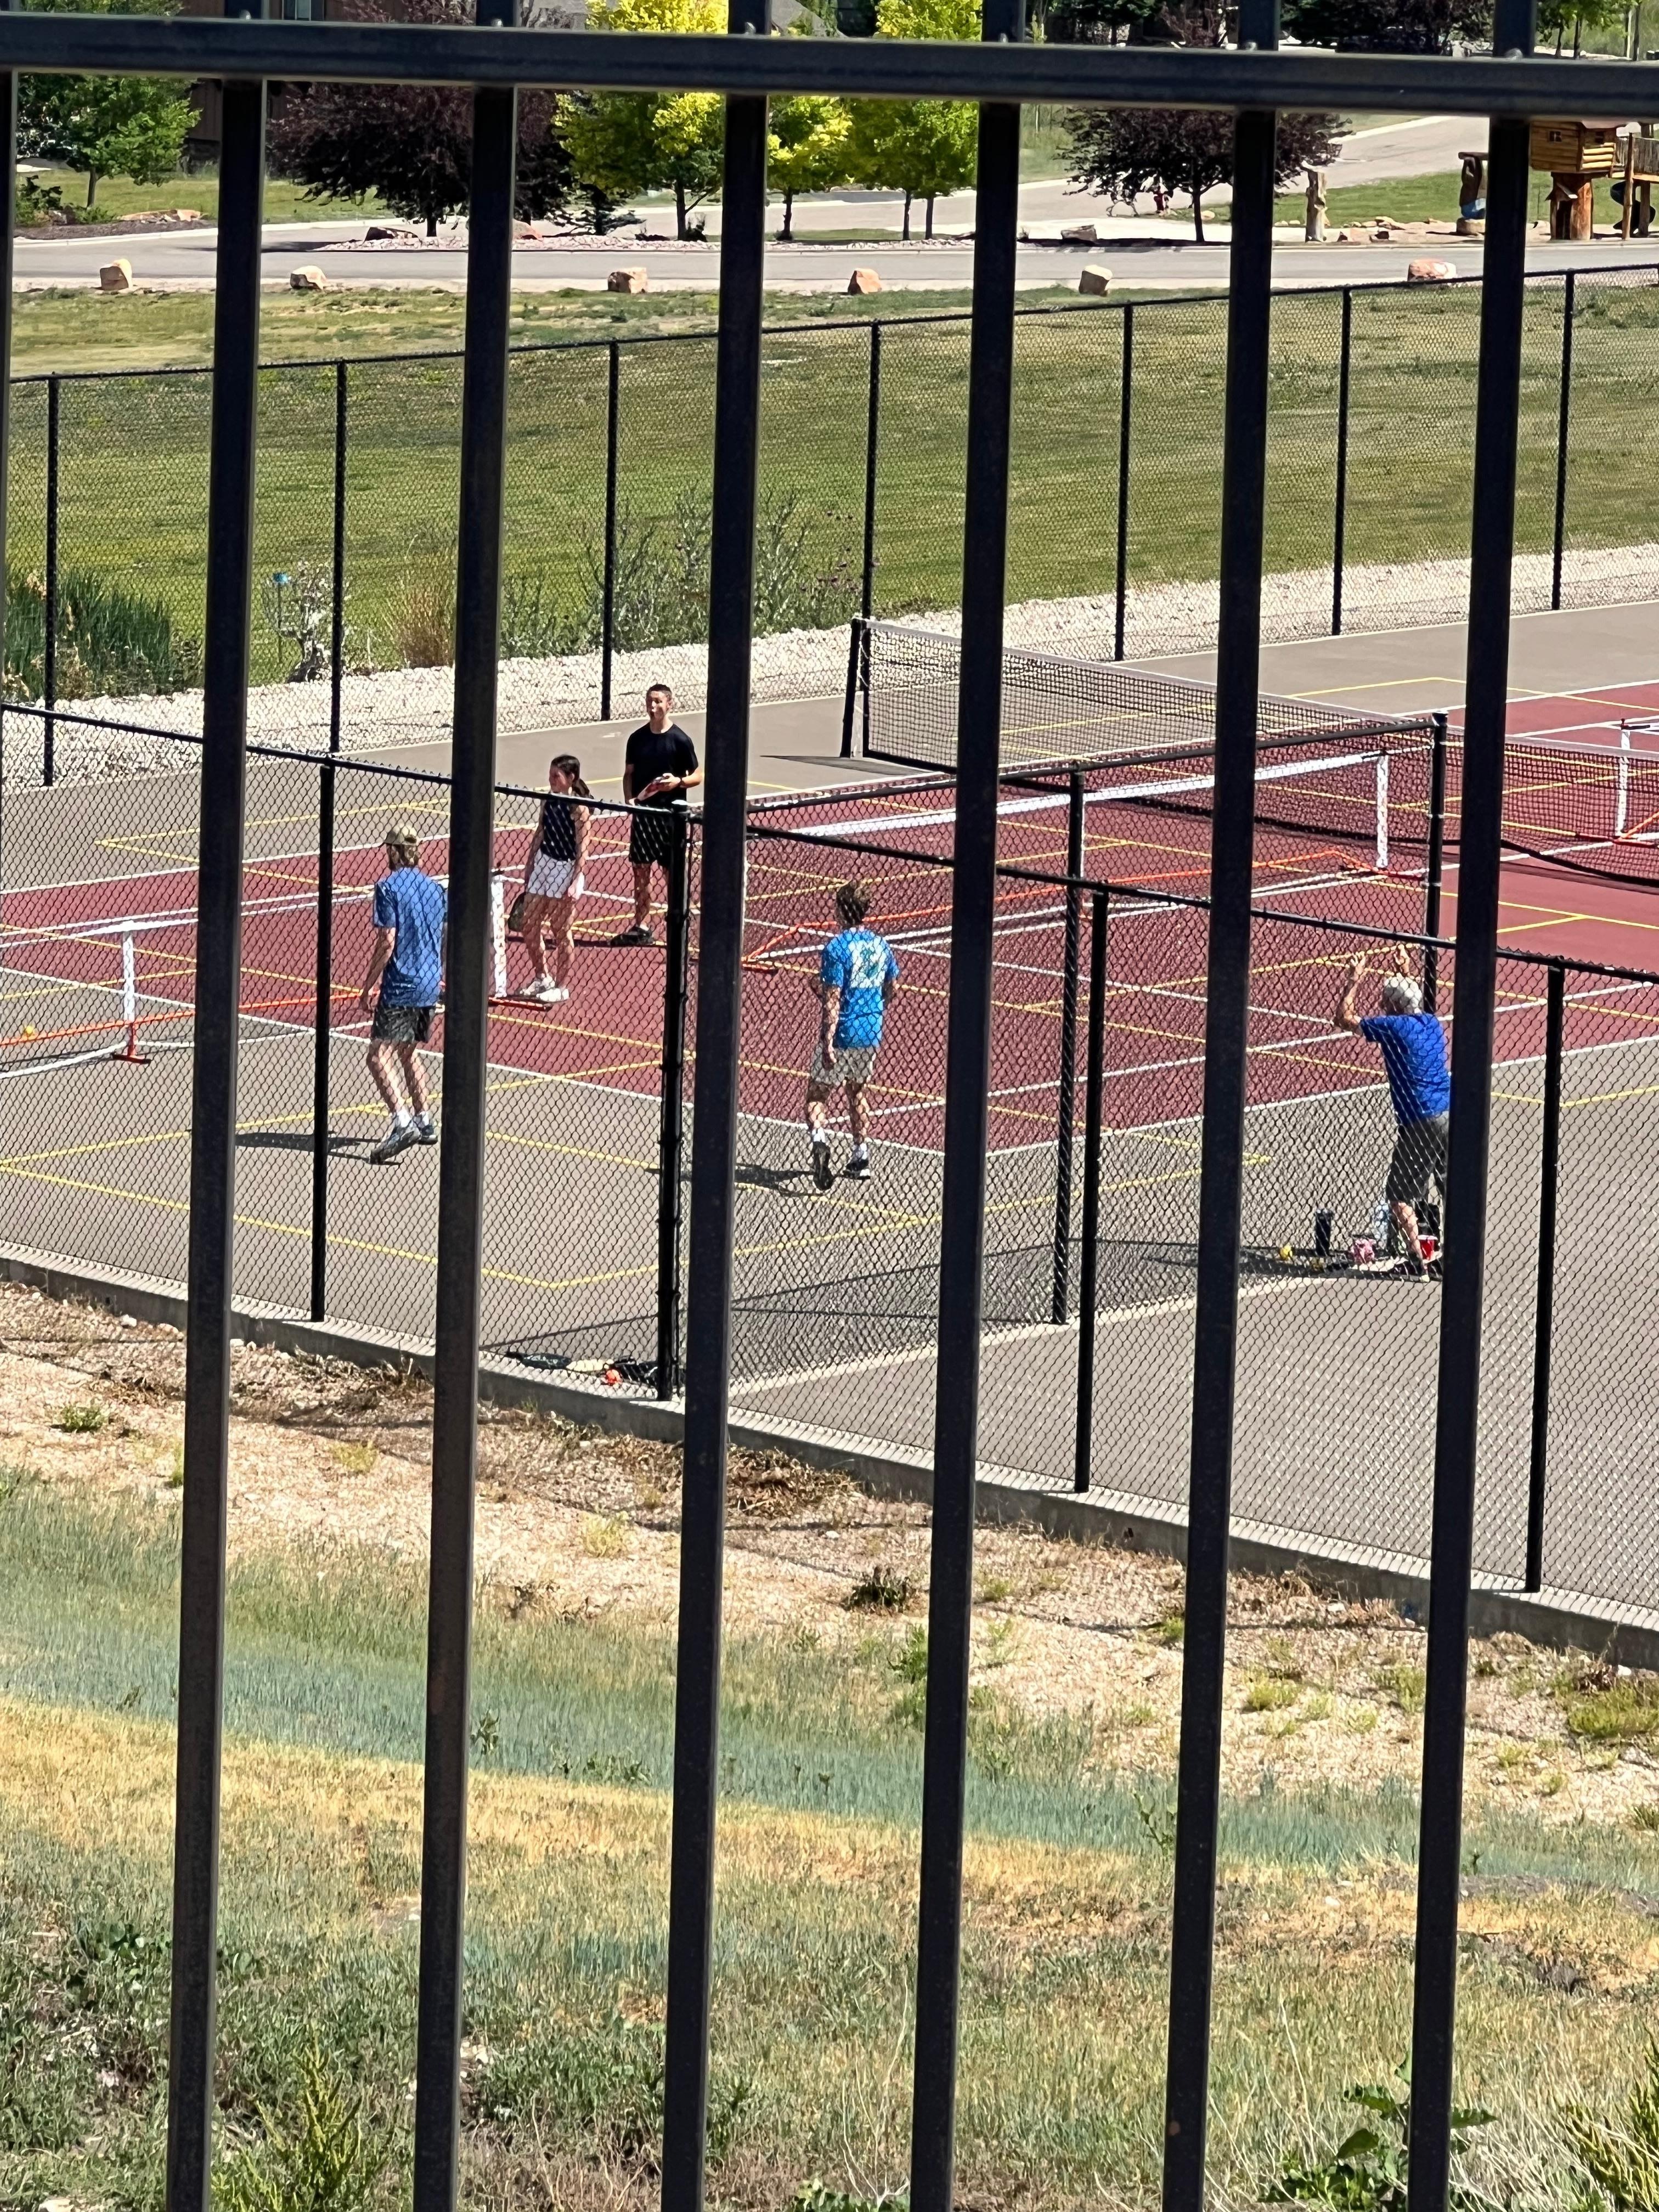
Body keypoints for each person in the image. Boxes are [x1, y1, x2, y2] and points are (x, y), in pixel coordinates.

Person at [1333, 946, 1449, 1275]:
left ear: (1394, 1007)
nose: (1381, 1006)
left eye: (1385, 1002)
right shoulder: (1429, 1023)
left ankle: (1418, 1262)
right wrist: (1407, 971)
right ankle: (1452, 1257)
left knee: (1398, 1194)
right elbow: (1410, 1003)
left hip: (1419, 1118)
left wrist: (1354, 980)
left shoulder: (1394, 1027)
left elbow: (1343, 1018)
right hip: (1449, 1111)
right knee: (1449, 1186)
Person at [360, 822, 446, 1165]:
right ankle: (425, 1120)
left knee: (378, 1055)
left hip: (401, 984)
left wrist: (368, 984)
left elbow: (387, 940)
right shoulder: (435, 889)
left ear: (394, 852)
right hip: (429, 981)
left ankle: (402, 1121)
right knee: (409, 1051)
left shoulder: (388, 887)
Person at [805, 878, 899, 1189]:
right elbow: (892, 988)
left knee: (817, 1095)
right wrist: (874, 1008)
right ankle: (861, 1155)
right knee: (857, 1091)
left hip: (844, 1029)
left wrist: (828, 1040)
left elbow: (833, 999)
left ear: (841, 910)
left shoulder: (837, 949)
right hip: (871, 1029)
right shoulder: (880, 945)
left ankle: (819, 1140)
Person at [616, 681, 701, 945]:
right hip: (644, 816)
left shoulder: (680, 740)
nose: (652, 707)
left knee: (671, 871)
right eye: (649, 701)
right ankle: (641, 925)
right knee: (640, 871)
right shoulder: (637, 739)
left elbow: (698, 775)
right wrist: (630, 800)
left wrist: (678, 783)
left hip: (670, 819)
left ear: (669, 704)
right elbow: (629, 774)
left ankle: (682, 919)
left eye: (658, 702)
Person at [516, 753, 590, 1004]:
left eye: (556, 777)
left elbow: (583, 847)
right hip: (544, 863)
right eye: (550, 776)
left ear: (571, 779)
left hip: (565, 867)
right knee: (529, 924)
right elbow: (541, 830)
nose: (551, 781)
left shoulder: (578, 808)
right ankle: (542, 977)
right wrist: (530, 863)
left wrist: (576, 878)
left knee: (561, 930)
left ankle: (561, 985)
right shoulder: (548, 800)